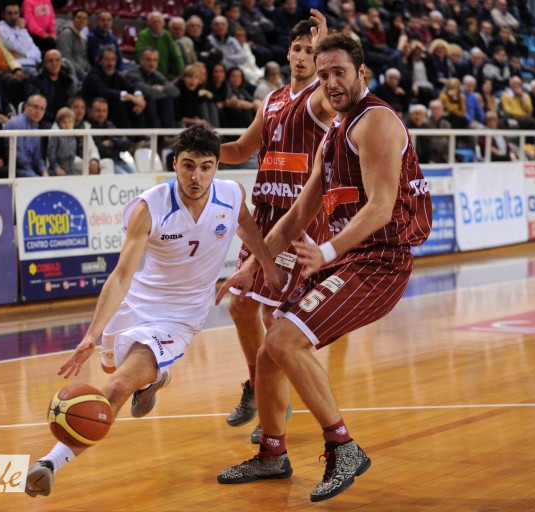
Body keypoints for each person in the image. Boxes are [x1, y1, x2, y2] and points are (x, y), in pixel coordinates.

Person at [216, 33, 432, 502]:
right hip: (352, 259)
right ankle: (272, 453)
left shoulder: (375, 121)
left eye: (340, 73)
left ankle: (343, 447)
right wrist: (255, 263)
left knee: (283, 340)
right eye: (325, 75)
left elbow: (380, 208)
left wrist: (328, 251)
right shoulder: (335, 131)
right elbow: (299, 212)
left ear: (361, 73)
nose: (331, 82)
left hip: (380, 261)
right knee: (269, 350)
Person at [24, 125, 286, 497]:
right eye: (188, 165)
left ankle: (49, 463)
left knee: (116, 386)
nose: (196, 177)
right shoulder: (149, 207)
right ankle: (154, 379)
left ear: (217, 167)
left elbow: (247, 227)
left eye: (206, 167)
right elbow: (121, 275)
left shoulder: (231, 194)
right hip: (135, 303)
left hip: (179, 317)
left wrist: (263, 265)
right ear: (174, 163)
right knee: (112, 368)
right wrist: (91, 335)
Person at [218, 14, 336, 444]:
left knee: (273, 316)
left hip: (297, 221)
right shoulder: (270, 100)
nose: (303, 57)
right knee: (240, 307)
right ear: (287, 53)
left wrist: (326, 47)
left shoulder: (320, 100)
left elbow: (331, 92)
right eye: (298, 49)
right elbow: (239, 150)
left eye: (311, 51)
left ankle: (274, 413)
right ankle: (258, 387)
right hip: (264, 217)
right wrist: (200, 146)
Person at [4, 94, 48, 177]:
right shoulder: (16, 124)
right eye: (35, 107)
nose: (38, 111)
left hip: (30, 169)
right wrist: (35, 175)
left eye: (42, 109)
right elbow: (18, 157)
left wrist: (44, 172)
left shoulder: (36, 128)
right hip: (16, 169)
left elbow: (38, 157)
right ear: (26, 107)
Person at [0, 0, 42, 76]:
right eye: (10, 13)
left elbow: (38, 53)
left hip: (34, 64)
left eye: (16, 13)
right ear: (3, 15)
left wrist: (25, 55)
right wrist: (21, 30)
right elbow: (20, 48)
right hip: (19, 66)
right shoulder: (1, 29)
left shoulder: (20, 27)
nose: (13, 17)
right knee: (38, 76)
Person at [135, 11, 185, 80]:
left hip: (165, 73)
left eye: (159, 21)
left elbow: (176, 55)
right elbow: (141, 55)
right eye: (154, 22)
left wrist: (181, 73)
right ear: (148, 23)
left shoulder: (166, 35)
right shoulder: (143, 35)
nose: (157, 24)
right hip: (148, 73)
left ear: (163, 24)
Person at [56, 9, 90, 83]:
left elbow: (85, 57)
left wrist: (90, 71)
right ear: (73, 19)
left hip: (83, 72)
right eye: (79, 17)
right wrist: (82, 72)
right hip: (71, 73)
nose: (81, 20)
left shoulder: (84, 36)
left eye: (84, 18)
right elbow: (66, 57)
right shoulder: (66, 34)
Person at [47, 107, 78, 176]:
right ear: (59, 123)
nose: (67, 125)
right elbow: (51, 154)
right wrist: (57, 168)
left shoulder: (73, 136)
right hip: (57, 171)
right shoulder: (55, 136)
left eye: (70, 121)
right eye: (64, 122)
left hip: (70, 171)